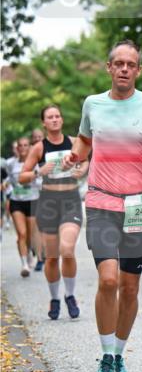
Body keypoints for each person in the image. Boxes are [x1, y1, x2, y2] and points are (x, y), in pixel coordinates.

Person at [64, 39, 142, 372]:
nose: (124, 69)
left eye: (131, 64)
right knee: (109, 280)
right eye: (119, 63)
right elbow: (85, 140)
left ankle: (118, 354)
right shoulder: (93, 104)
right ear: (109, 67)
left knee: (130, 287)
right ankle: (104, 356)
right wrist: (75, 155)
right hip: (101, 201)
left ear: (138, 70)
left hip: (139, 205)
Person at [19, 105, 88, 320]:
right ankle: (55, 298)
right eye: (50, 117)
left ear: (62, 119)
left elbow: (85, 160)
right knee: (51, 257)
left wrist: (81, 170)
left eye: (58, 116)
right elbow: (22, 176)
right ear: (44, 123)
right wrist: (39, 171)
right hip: (48, 202)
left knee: (67, 250)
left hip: (70, 200)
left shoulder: (74, 142)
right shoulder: (39, 148)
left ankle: (70, 295)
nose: (55, 119)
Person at [8, 137, 39, 276]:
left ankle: (30, 252)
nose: (23, 148)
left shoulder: (36, 164)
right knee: (21, 233)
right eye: (20, 145)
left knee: (30, 236)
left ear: (30, 147)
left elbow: (41, 181)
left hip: (32, 201)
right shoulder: (10, 163)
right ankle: (24, 265)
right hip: (16, 201)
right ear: (17, 148)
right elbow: (8, 179)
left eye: (26, 145)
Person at [29, 128, 46, 270]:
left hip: (50, 194)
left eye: (40, 136)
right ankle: (40, 258)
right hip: (33, 195)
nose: (38, 139)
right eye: (35, 137)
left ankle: (44, 251)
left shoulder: (49, 152)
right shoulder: (30, 154)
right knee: (36, 228)